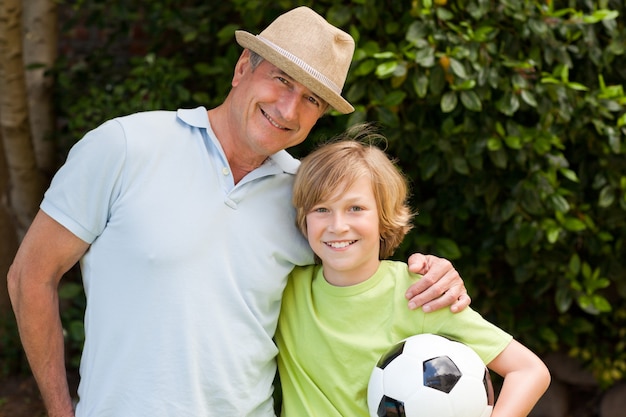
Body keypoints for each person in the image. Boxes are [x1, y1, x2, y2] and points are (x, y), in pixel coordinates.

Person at [7, 7, 471, 417]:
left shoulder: (308, 199)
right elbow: (30, 276)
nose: (288, 108)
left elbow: (362, 284)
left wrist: (430, 272)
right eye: (281, 80)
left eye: (311, 99)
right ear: (242, 68)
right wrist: (60, 411)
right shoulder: (125, 146)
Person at [276, 126, 551, 417]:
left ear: (384, 217)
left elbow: (529, 371)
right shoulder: (286, 288)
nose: (338, 225)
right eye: (321, 209)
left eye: (355, 208)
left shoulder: (420, 293)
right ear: (303, 219)